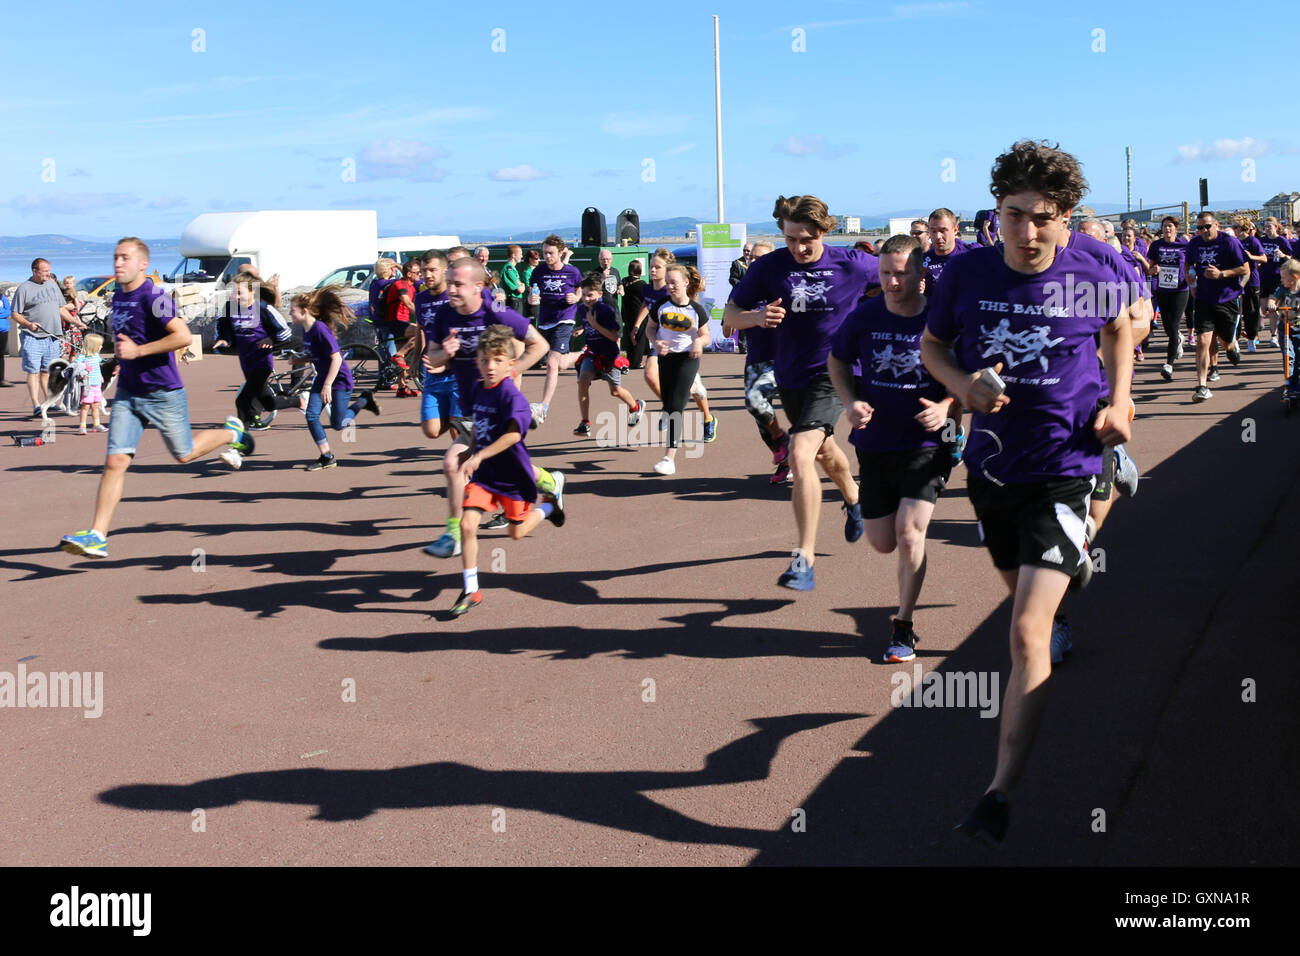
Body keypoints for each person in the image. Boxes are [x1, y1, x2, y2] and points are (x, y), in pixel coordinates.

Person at [920, 140, 1132, 847]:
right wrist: (960, 388)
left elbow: (1119, 328)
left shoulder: (1095, 264)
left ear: (1066, 216)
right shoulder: (966, 272)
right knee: (1019, 588)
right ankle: (1070, 565)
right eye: (1014, 216)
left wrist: (1121, 400)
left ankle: (998, 793)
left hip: (1069, 459)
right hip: (993, 467)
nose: (1027, 233)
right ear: (996, 213)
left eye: (1044, 218)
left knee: (1023, 631)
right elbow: (933, 347)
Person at [59, 238, 255, 560]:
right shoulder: (118, 298)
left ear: (142, 265)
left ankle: (232, 432)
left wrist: (139, 351)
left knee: (184, 453)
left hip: (163, 392)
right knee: (115, 461)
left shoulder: (155, 297)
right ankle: (97, 535)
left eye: (125, 258)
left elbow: (182, 335)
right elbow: (126, 340)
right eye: (115, 257)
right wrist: (117, 363)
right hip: (128, 394)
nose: (118, 263)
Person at [726, 194, 876, 590]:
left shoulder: (852, 263)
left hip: (836, 372)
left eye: (807, 239)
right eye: (791, 238)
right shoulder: (769, 266)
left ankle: (803, 559)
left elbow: (901, 276)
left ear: (825, 232)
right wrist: (756, 317)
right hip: (790, 376)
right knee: (824, 451)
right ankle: (855, 499)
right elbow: (729, 315)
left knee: (799, 451)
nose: (799, 248)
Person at [829, 234, 953, 661]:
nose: (892, 282)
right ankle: (860, 506)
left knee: (909, 532)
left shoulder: (942, 319)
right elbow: (838, 360)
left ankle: (903, 625)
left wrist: (947, 404)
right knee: (883, 543)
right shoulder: (864, 316)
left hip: (927, 443)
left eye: (901, 273)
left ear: (921, 277)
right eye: (885, 273)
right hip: (876, 442)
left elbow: (972, 371)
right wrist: (849, 402)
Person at [423, 258, 551, 559]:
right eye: (449, 282)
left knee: (453, 463)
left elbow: (540, 345)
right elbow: (433, 358)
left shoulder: (495, 312)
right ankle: (549, 481)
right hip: (469, 407)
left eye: (458, 284)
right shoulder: (444, 314)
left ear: (478, 287)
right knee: (502, 465)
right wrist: (446, 352)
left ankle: (453, 534)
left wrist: (511, 371)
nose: (450, 289)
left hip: (497, 408)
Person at [450, 325, 566, 616]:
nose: (490, 366)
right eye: (485, 360)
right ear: (477, 361)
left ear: (510, 364)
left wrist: (480, 455)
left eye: (498, 360)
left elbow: (514, 436)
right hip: (485, 476)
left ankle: (548, 507)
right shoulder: (478, 388)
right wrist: (470, 450)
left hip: (513, 477)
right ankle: (471, 589)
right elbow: (478, 424)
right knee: (467, 525)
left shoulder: (511, 397)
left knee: (515, 534)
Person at [289, 287, 381, 470]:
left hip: (339, 381)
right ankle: (327, 456)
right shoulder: (306, 330)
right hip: (323, 378)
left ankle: (363, 400)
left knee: (338, 424)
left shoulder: (320, 329)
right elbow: (316, 354)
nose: (290, 313)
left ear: (304, 311)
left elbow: (336, 358)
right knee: (311, 415)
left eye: (292, 310)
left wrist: (328, 385)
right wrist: (300, 359)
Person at [722, 240, 789, 483]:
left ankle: (786, 443)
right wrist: (746, 318)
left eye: (760, 258)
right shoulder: (742, 290)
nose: (754, 262)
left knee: (756, 400)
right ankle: (783, 458)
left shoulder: (782, 286)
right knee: (760, 417)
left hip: (783, 358)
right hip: (756, 359)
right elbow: (728, 331)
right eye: (751, 258)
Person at [633, 247, 716, 440]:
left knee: (691, 390)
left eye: (657, 267)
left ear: (667, 270)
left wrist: (697, 342)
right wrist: (637, 325)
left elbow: (691, 313)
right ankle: (669, 407)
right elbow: (648, 306)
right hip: (663, 344)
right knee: (650, 375)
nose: (652, 270)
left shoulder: (672, 289)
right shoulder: (648, 288)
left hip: (684, 349)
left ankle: (707, 418)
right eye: (651, 266)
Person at [647, 263, 711, 475]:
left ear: (685, 282)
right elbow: (651, 329)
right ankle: (695, 387)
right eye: (668, 283)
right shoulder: (661, 306)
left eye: (674, 283)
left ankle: (669, 458)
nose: (670, 287)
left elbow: (706, 335)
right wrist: (656, 343)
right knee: (668, 400)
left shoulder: (696, 310)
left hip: (688, 358)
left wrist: (698, 343)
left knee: (675, 407)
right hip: (666, 358)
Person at [212, 271, 294, 429]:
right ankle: (299, 401)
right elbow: (223, 326)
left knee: (243, 400)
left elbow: (285, 331)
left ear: (252, 292)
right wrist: (224, 339)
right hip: (245, 360)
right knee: (267, 401)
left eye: (239, 293)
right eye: (233, 293)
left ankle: (241, 440)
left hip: (262, 362)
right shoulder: (229, 308)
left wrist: (270, 339)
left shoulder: (263, 308)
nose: (234, 296)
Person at [1186, 211, 1249, 402]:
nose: (1203, 231)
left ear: (1216, 226)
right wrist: (1191, 281)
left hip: (1227, 298)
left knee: (1225, 340)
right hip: (1204, 298)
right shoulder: (1195, 243)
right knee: (1203, 341)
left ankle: (1231, 347)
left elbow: (1245, 268)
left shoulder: (1229, 242)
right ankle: (1202, 386)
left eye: (1207, 226)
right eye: (1199, 228)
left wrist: (1221, 274)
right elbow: (1189, 263)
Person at [10, 258, 85, 415]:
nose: (48, 274)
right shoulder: (24, 288)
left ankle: (49, 402)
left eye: (49, 271)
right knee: (33, 371)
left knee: (47, 371)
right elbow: (15, 313)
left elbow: (60, 309)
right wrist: (28, 324)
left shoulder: (52, 285)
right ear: (35, 271)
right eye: (45, 271)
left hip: (52, 336)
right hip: (32, 336)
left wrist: (75, 322)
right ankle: (36, 405)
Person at [573, 274, 643, 437]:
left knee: (615, 391)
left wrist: (595, 324)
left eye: (590, 295)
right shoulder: (583, 309)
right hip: (591, 353)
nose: (586, 298)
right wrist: (582, 329)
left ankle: (635, 406)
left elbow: (615, 337)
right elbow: (587, 324)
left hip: (608, 356)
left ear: (600, 295)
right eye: (583, 295)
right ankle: (585, 423)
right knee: (583, 381)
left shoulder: (606, 311)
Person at [527, 234, 584, 425]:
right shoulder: (539, 272)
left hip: (565, 320)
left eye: (550, 253)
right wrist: (532, 300)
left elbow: (579, 290)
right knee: (559, 365)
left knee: (551, 364)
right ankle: (584, 353)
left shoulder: (572, 272)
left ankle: (543, 407)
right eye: (544, 253)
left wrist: (576, 298)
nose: (547, 257)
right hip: (545, 320)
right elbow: (532, 294)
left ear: (561, 253)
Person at [412, 251, 458, 441]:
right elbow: (421, 329)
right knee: (431, 431)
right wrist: (415, 359)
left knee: (458, 431)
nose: (427, 275)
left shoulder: (455, 296)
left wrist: (448, 362)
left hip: (458, 372)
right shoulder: (420, 299)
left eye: (432, 270)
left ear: (445, 270)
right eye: (423, 270)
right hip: (433, 371)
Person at [1147, 215, 1192, 381]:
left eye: (1170, 226)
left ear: (1176, 229)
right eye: (1165, 226)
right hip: (1162, 289)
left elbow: (1192, 265)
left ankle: (1169, 364)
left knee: (1173, 325)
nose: (1167, 229)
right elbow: (1150, 268)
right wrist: (1153, 270)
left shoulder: (1184, 245)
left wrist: (1191, 276)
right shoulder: (1156, 245)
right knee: (1167, 327)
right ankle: (1178, 338)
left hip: (1180, 289)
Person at [1264, 257, 1300, 400]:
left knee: (1299, 357)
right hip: (1285, 326)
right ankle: (1289, 386)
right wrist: (1272, 304)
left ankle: (1296, 384)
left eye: (1284, 277)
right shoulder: (1282, 288)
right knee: (1288, 356)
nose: (1282, 280)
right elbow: (1273, 297)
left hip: (1298, 327)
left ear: (1294, 277)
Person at [1257, 217, 1293, 346]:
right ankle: (1277, 326)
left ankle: (1274, 336)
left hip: (1277, 277)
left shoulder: (1282, 241)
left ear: (1276, 227)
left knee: (1271, 308)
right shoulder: (1261, 240)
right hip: (1263, 277)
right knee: (1263, 309)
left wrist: (1283, 255)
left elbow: (1291, 259)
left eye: (1269, 227)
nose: (1267, 229)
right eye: (1265, 227)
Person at [1235, 217, 1266, 351]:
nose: (1234, 229)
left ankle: (1251, 338)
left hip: (1252, 281)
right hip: (1236, 280)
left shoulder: (1252, 241)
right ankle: (1234, 340)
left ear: (1242, 228)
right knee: (1235, 311)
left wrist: (1251, 256)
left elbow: (1264, 258)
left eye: (1235, 227)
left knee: (1251, 311)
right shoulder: (1234, 242)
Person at [920, 208, 971, 288]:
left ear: (955, 230)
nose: (938, 236)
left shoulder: (971, 255)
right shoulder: (923, 261)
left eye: (943, 231)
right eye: (933, 231)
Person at [72, 332, 108, 434]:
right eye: (99, 345)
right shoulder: (83, 357)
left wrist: (100, 376)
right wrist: (83, 369)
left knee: (96, 406)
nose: (101, 346)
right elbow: (75, 365)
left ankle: (96, 424)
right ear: (93, 346)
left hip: (97, 384)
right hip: (87, 385)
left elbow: (99, 365)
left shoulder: (96, 356)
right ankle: (82, 426)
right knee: (86, 406)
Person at [621, 258, 648, 366]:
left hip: (627, 313)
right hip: (639, 313)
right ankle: (637, 361)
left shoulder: (624, 281)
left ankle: (630, 360)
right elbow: (646, 300)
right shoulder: (642, 284)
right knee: (639, 337)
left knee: (629, 337)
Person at [500, 244, 526, 313]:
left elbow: (521, 284)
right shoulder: (508, 269)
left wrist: (522, 284)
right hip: (513, 302)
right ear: (513, 255)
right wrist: (522, 285)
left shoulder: (513, 269)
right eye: (520, 254)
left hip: (517, 301)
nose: (522, 256)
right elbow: (519, 289)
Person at [0, 288, 12, 385]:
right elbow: (4, 312)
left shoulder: (3, 299)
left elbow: (9, 312)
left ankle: (1, 379)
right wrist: (2, 312)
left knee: (1, 355)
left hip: (3, 329)